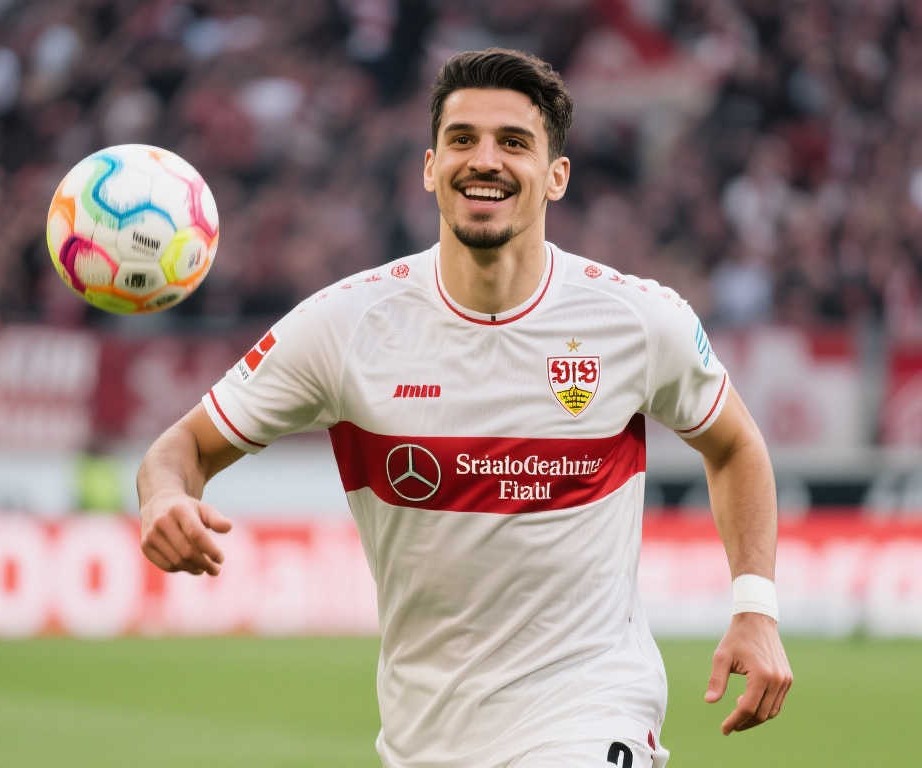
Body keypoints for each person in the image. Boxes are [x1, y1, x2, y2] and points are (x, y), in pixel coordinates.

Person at [137, 48, 792, 768]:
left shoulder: (635, 320)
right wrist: (165, 496)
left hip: (593, 711)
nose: (485, 160)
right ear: (429, 167)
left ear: (556, 176)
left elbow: (735, 445)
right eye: (462, 139)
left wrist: (755, 606)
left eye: (513, 142)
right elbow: (181, 448)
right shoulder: (345, 326)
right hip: (425, 739)